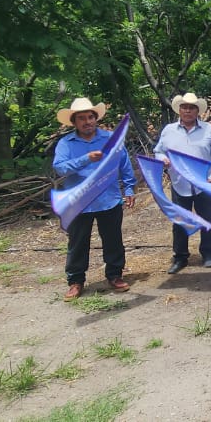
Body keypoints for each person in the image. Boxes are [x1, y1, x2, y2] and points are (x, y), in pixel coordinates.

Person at [52, 98, 136, 301]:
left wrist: (130, 188)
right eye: (82, 118)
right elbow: (59, 168)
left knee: (113, 240)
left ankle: (115, 275)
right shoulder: (66, 144)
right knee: (77, 243)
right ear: (74, 122)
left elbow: (124, 163)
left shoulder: (110, 139)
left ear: (96, 118)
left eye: (91, 117)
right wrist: (85, 159)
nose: (87, 121)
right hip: (80, 202)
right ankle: (75, 281)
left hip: (109, 199)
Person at [153, 92, 211, 274]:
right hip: (179, 183)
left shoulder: (208, 130)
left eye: (191, 107)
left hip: (203, 183)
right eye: (184, 107)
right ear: (179, 110)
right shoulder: (169, 130)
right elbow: (158, 151)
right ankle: (180, 257)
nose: (188, 111)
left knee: (208, 218)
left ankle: (207, 253)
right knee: (179, 220)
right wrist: (162, 159)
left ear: (197, 110)